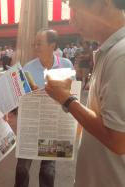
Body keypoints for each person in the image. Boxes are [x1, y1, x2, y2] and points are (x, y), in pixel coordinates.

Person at [45, 0, 125, 186]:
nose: (71, 21)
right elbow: (104, 117)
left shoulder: (121, 55)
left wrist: (67, 99)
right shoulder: (111, 50)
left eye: (75, 10)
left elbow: (118, 140)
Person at [14, 28, 73, 187]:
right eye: (35, 43)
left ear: (52, 45)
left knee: (48, 171)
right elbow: (21, 96)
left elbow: (71, 94)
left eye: (39, 43)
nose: (35, 46)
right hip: (31, 124)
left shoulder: (65, 65)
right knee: (22, 169)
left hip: (53, 125)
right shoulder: (28, 67)